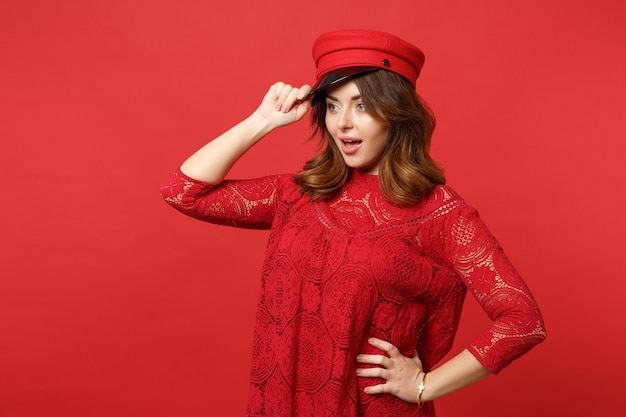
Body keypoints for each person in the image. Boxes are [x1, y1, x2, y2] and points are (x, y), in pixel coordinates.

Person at [160, 29, 546, 417]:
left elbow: (522, 321)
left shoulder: (440, 213)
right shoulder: (299, 195)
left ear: (397, 113)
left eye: (361, 106)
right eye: (331, 106)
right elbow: (183, 192)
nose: (342, 123)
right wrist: (262, 121)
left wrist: (425, 385)